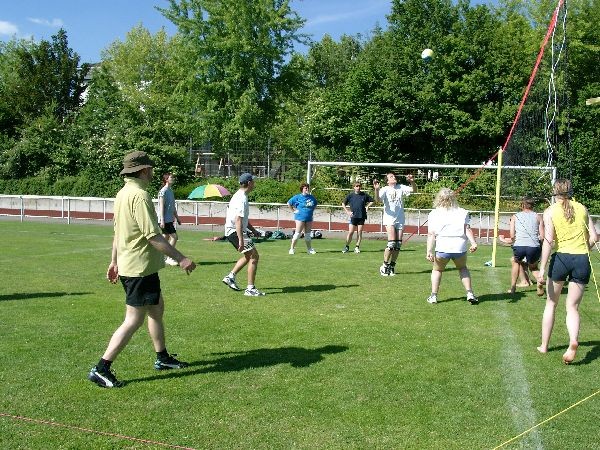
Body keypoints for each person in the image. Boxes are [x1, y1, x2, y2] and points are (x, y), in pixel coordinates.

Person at [88, 151, 197, 388]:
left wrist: (114, 261)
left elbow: (118, 232)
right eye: (151, 168)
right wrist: (181, 258)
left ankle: (162, 357)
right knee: (133, 320)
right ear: (144, 170)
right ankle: (101, 368)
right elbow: (153, 236)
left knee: (156, 309)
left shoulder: (122, 193)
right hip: (138, 269)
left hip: (138, 266)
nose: (153, 172)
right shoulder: (139, 195)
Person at [536, 179, 597, 364]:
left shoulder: (550, 211)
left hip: (561, 259)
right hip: (582, 259)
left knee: (551, 304)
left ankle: (544, 346)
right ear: (570, 191)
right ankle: (573, 340)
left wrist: (542, 267)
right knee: (572, 307)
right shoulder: (582, 208)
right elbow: (594, 237)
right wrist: (584, 249)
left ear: (555, 192)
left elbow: (548, 241)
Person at [425, 188, 479, 304]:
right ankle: (470, 293)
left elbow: (431, 234)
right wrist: (473, 243)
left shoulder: (434, 213)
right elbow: (467, 229)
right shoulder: (462, 212)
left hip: (442, 247)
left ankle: (433, 296)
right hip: (459, 247)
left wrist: (429, 250)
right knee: (462, 268)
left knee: (437, 270)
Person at [222, 173, 265, 296]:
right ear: (249, 183)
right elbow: (238, 220)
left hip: (234, 231)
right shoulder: (241, 198)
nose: (254, 184)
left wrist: (253, 230)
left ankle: (230, 277)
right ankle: (250, 289)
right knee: (254, 256)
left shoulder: (240, 196)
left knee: (248, 256)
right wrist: (241, 239)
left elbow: (243, 219)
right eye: (253, 182)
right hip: (235, 231)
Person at [499, 197, 545, 295]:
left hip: (519, 245)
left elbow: (512, 235)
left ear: (522, 205)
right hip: (534, 246)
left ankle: (513, 288)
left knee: (516, 263)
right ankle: (539, 280)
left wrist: (508, 240)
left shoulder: (515, 216)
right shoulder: (538, 217)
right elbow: (542, 236)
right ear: (533, 206)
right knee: (533, 268)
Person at [373, 172, 417, 276]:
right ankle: (384, 266)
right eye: (391, 177)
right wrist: (376, 189)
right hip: (389, 219)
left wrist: (412, 182)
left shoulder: (400, 187)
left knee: (398, 244)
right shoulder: (385, 189)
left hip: (400, 219)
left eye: (394, 176)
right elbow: (378, 200)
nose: (394, 177)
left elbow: (414, 190)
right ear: (387, 181)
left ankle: (392, 266)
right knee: (391, 243)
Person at [342, 182, 374, 253]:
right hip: (353, 216)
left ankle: (357, 247)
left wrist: (367, 206)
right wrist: (347, 211)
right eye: (356, 186)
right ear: (354, 187)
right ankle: (346, 246)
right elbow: (343, 203)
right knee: (350, 232)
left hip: (361, 216)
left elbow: (372, 201)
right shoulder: (350, 195)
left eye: (359, 186)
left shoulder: (364, 195)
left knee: (359, 232)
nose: (358, 187)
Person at [287, 182, 318, 255]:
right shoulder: (297, 197)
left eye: (308, 188)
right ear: (302, 189)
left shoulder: (311, 197)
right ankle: (292, 249)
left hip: (309, 218)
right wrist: (294, 211)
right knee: (297, 234)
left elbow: (315, 204)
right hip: (300, 217)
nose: (307, 189)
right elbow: (289, 203)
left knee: (307, 235)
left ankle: (309, 249)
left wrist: (311, 211)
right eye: (305, 188)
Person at [158, 173, 182, 266]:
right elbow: (161, 207)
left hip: (169, 219)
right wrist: (162, 220)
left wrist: (177, 218)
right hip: (165, 220)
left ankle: (159, 256)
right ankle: (169, 258)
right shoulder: (163, 191)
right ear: (166, 179)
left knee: (165, 238)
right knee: (174, 237)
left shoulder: (170, 191)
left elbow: (172, 206)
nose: (173, 179)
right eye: (171, 177)